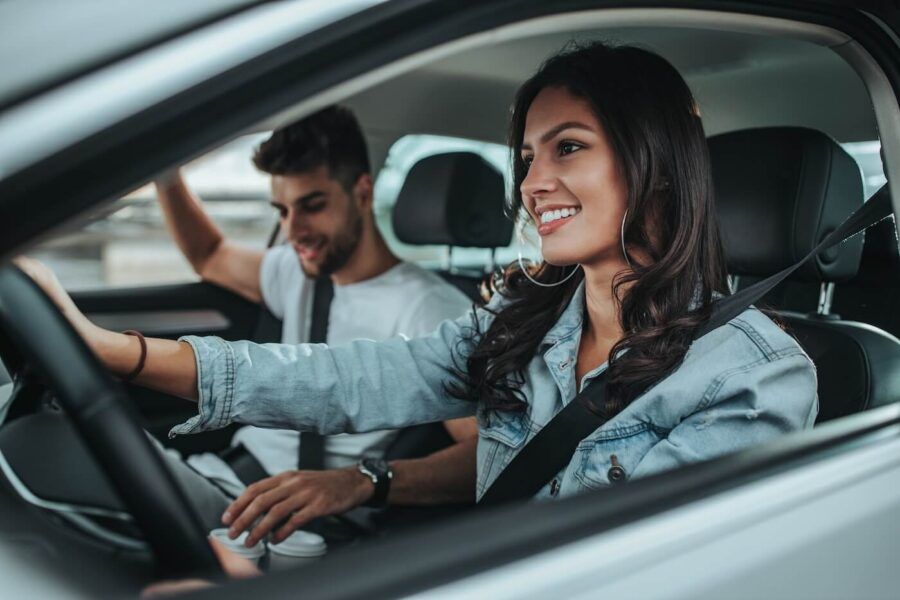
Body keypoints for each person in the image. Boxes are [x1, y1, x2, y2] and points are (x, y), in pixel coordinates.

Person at [18, 41, 817, 560]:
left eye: (569, 147)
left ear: (658, 161)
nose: (534, 184)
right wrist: (110, 350)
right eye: (528, 156)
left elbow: (607, 570)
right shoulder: (524, 320)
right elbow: (347, 380)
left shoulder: (753, 379)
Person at [151, 106, 479, 538]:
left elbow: (489, 453)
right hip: (222, 479)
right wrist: (163, 172)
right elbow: (209, 256)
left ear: (362, 192)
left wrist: (362, 481)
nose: (293, 230)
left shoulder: (431, 308)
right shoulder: (299, 271)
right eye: (283, 211)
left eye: (312, 205)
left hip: (284, 523)